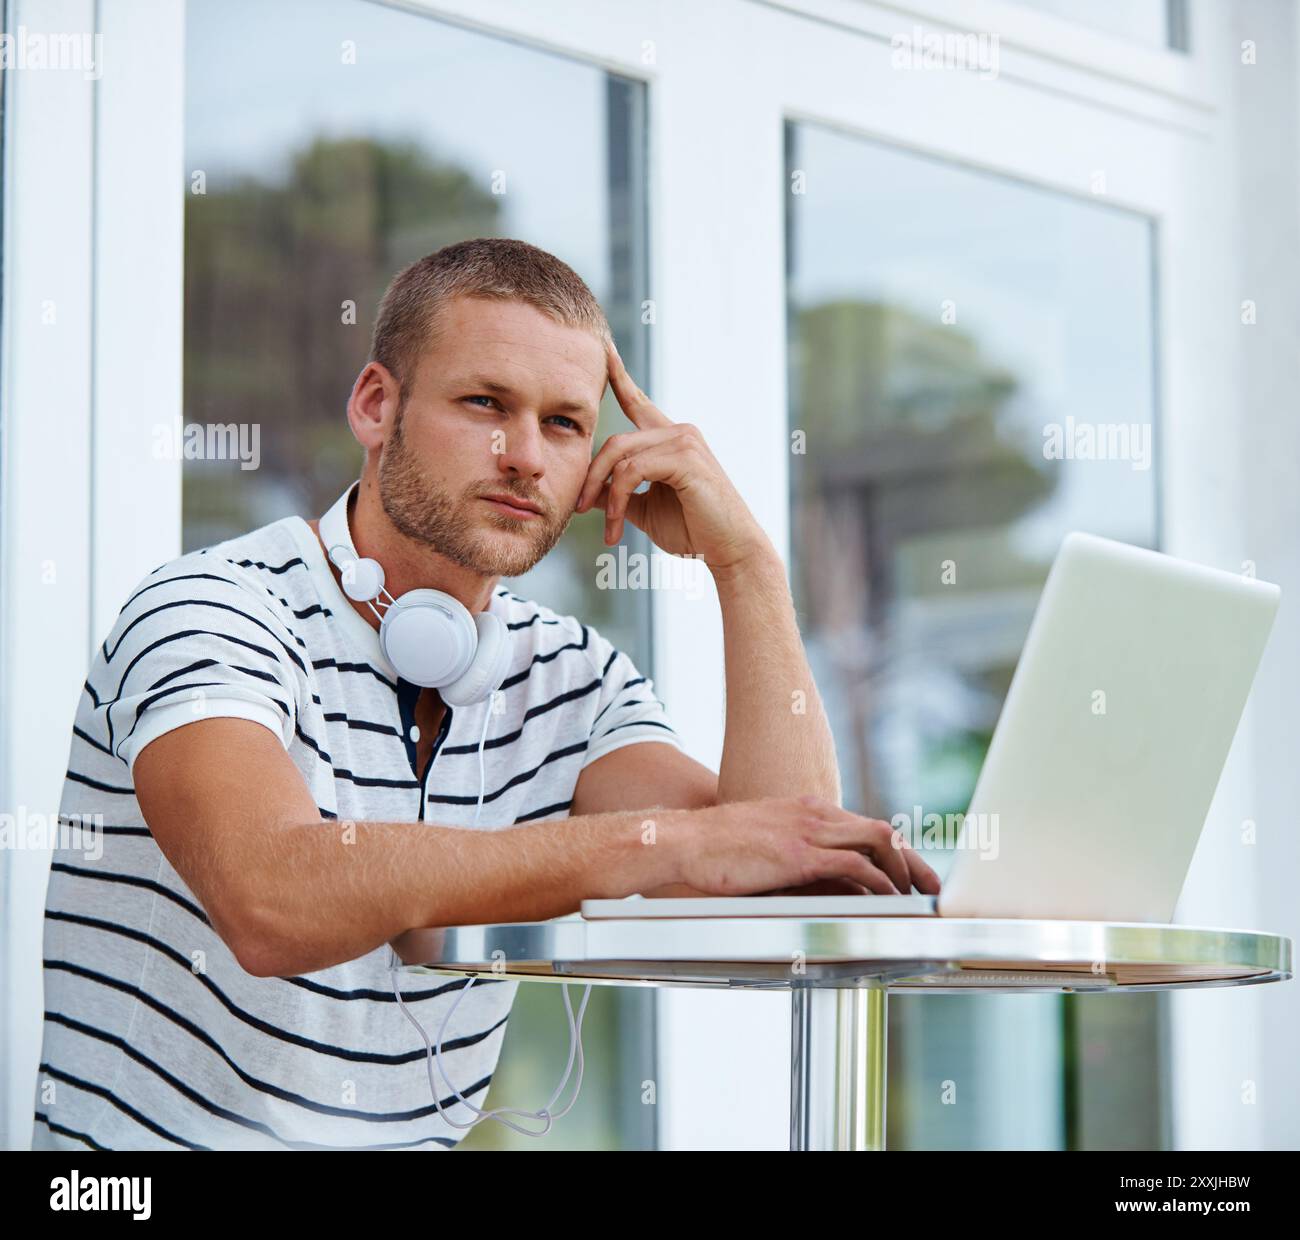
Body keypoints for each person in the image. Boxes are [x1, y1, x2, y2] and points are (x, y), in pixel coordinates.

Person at [33, 237, 938, 1151]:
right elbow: (268, 900)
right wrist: (673, 843)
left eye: (564, 424)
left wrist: (747, 565)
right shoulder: (213, 608)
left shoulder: (571, 675)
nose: (526, 458)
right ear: (377, 405)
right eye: (485, 404)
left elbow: (792, 872)